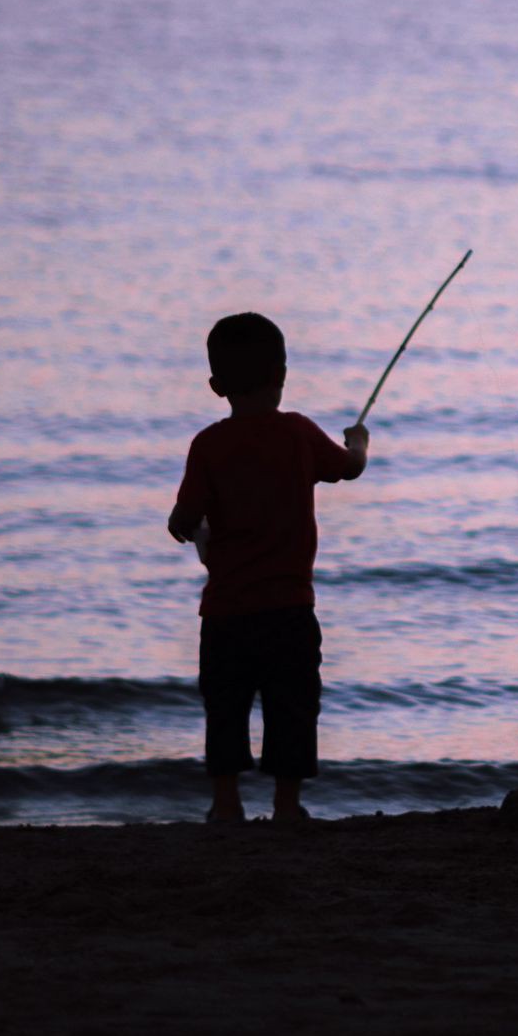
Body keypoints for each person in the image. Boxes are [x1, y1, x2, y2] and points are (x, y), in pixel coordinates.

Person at [168, 310, 369, 825]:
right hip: (290, 611)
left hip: (227, 614)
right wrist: (358, 440)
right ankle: (286, 805)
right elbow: (348, 469)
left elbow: (182, 520)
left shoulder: (208, 445)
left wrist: (199, 533)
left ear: (216, 386)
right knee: (293, 708)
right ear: (282, 375)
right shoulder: (299, 434)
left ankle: (226, 802)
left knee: (225, 709)